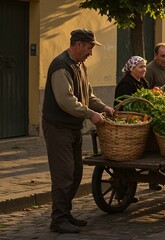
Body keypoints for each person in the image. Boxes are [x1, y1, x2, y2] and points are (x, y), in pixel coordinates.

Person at [42, 29, 114, 233]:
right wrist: (91, 114)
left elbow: (87, 94)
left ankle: (65, 213)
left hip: (72, 127)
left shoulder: (80, 65)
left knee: (75, 173)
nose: (91, 52)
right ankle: (58, 220)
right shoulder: (60, 66)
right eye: (90, 47)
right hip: (58, 127)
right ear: (79, 44)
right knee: (63, 175)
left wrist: (102, 107)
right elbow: (65, 100)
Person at [114, 56, 161, 191]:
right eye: (141, 67)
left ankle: (153, 175)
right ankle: (122, 192)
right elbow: (122, 106)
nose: (144, 69)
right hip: (127, 123)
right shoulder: (126, 84)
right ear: (132, 69)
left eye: (145, 66)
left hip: (142, 121)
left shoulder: (143, 81)